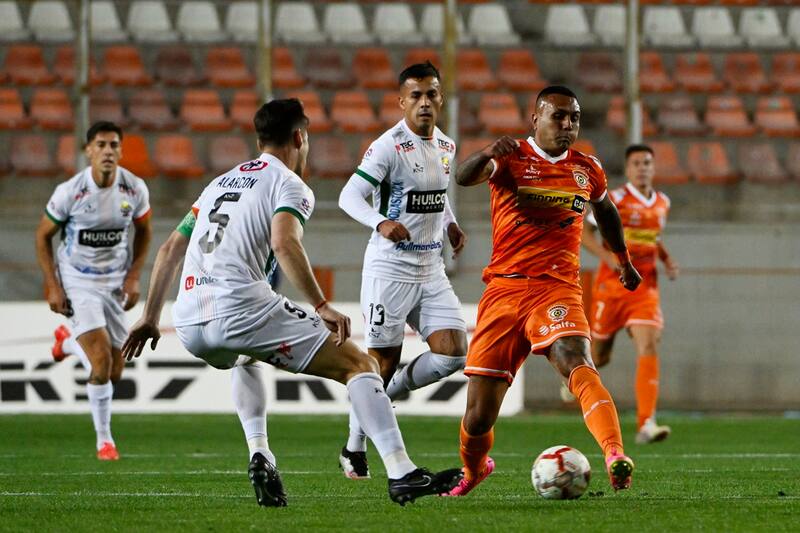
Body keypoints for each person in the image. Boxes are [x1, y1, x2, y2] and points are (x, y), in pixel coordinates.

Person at [121, 99, 462, 507]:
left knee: (245, 358)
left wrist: (149, 317)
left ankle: (260, 453)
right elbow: (284, 242)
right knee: (360, 365)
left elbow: (171, 248)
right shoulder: (290, 184)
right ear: (300, 137)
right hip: (240, 305)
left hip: (191, 317)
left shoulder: (220, 183)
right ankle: (402, 472)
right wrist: (321, 306)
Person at [443, 86, 641, 497]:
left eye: (574, 118)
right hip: (504, 290)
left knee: (575, 358)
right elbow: (462, 178)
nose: (567, 125)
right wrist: (484, 153)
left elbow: (605, 211)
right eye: (559, 116)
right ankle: (474, 468)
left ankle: (614, 454)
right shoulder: (511, 158)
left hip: (556, 288)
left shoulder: (587, 168)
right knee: (478, 416)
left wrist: (622, 259)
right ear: (536, 119)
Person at [336, 61, 468, 479]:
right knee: (381, 363)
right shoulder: (387, 146)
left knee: (453, 353)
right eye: (416, 96)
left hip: (430, 268)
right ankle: (354, 446)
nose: (424, 102)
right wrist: (380, 222)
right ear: (402, 102)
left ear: (440, 98)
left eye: (431, 94)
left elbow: (435, 194)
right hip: (389, 269)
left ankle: (386, 395)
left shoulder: (446, 146)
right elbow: (349, 196)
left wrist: (449, 223)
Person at [35, 121, 152, 461]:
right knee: (100, 362)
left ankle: (67, 343)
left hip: (114, 282)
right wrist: (53, 284)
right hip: (78, 280)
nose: (108, 151)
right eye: (100, 145)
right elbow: (42, 235)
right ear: (88, 150)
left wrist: (133, 277)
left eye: (114, 145)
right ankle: (105, 441)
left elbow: (144, 231)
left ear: (121, 150)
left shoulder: (134, 189)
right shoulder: (70, 192)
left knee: (115, 370)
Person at [563, 144, 678, 444]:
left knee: (649, 344)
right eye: (637, 163)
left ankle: (646, 424)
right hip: (611, 289)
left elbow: (654, 239)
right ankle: (575, 379)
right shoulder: (615, 198)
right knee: (600, 355)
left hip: (644, 288)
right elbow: (584, 233)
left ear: (653, 168)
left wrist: (666, 261)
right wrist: (608, 256)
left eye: (647, 163)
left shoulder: (662, 203)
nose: (642, 168)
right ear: (628, 170)